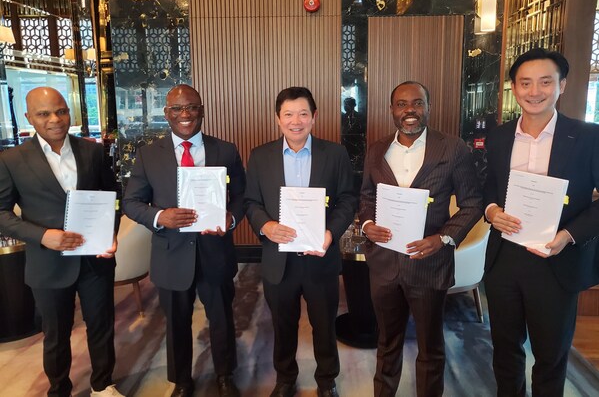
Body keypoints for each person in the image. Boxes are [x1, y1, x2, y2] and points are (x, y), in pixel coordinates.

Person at [483, 48, 599, 397]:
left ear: (561, 85)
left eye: (545, 82)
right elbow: (489, 187)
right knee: (505, 349)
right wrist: (491, 211)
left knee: (550, 354)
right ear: (514, 88)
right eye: (525, 83)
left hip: (557, 260)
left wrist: (568, 235)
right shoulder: (499, 136)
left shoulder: (589, 137)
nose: (535, 91)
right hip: (504, 259)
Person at [359, 81, 483, 397]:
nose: (410, 110)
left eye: (417, 103)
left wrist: (443, 238)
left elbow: (472, 203)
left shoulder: (452, 148)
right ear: (392, 110)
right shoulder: (377, 149)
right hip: (384, 264)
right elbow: (367, 196)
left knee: (430, 347)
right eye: (401, 104)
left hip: (428, 265)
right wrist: (368, 224)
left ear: (428, 107)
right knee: (387, 342)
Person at [122, 84, 245, 397]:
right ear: (167, 114)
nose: (185, 114)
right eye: (177, 108)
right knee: (176, 323)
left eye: (192, 107)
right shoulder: (149, 155)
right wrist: (159, 216)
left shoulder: (225, 150)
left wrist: (230, 218)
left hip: (215, 251)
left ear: (201, 110)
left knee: (221, 318)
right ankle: (182, 381)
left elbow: (242, 196)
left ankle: (225, 375)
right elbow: (131, 202)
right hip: (171, 254)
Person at [0, 87, 123, 397]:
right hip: (47, 263)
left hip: (94, 258)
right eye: (44, 114)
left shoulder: (92, 151)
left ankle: (102, 385)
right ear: (29, 117)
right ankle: (59, 389)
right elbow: (1, 213)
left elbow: (112, 197)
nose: (55, 119)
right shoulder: (11, 160)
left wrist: (110, 233)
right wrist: (43, 236)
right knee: (55, 334)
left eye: (61, 111)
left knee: (102, 326)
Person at [244, 87, 356, 397]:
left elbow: (348, 198)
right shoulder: (260, 156)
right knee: (283, 325)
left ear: (314, 117)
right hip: (278, 259)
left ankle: (326, 381)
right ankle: (285, 379)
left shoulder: (334, 154)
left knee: (324, 325)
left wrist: (331, 232)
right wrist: (266, 225)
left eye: (303, 114)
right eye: (289, 114)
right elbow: (251, 201)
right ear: (277, 118)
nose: (296, 121)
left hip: (320, 256)